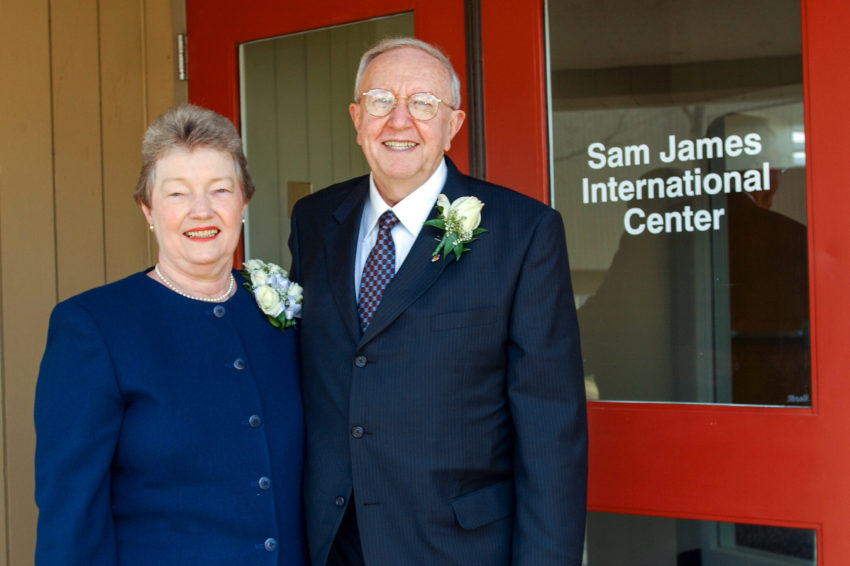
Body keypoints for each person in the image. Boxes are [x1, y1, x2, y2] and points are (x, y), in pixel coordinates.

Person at [289, 37, 587, 566]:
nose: (399, 122)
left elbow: (550, 430)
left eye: (423, 103)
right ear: (357, 118)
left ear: (453, 124)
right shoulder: (315, 220)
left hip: (457, 545)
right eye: (381, 101)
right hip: (332, 540)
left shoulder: (524, 232)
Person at [34, 104, 307, 565]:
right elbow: (71, 516)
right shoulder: (93, 327)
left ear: (243, 203)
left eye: (220, 189)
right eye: (178, 194)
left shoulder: (281, 314)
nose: (202, 210)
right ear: (148, 208)